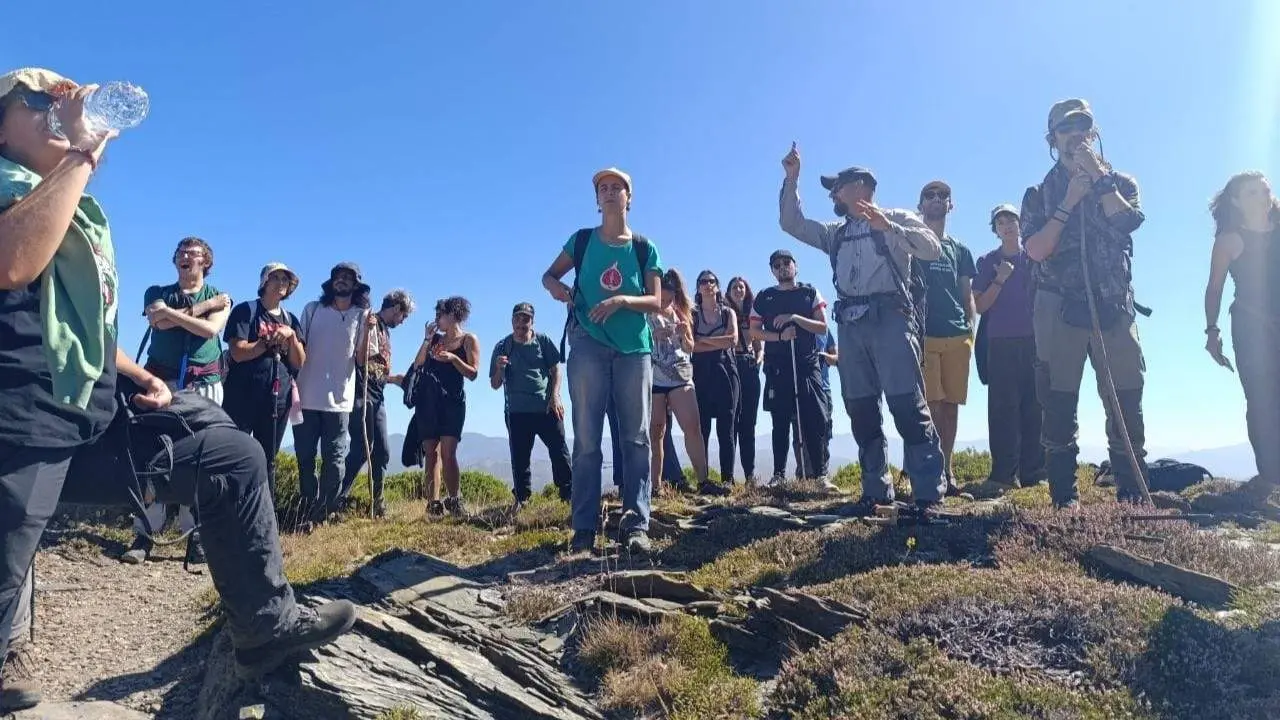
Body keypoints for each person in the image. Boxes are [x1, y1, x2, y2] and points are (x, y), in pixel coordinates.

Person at [0, 67, 354, 713]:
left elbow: (74, 319)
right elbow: (10, 263)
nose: (60, 107)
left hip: (85, 403)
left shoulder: (68, 203)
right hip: (17, 413)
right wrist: (80, 153)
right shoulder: (17, 193)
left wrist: (137, 376)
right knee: (9, 545)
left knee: (233, 457)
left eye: (63, 98)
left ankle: (265, 627)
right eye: (39, 100)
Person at [779, 143, 945, 514]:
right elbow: (792, 224)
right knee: (861, 408)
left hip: (891, 318)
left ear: (859, 186)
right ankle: (875, 490)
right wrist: (792, 181)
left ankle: (928, 493)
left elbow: (932, 248)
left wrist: (890, 228)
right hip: (850, 326)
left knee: (906, 404)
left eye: (836, 187)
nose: (833, 195)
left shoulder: (897, 216)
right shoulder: (835, 232)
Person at [1020, 98, 1148, 509]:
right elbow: (1036, 250)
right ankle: (1064, 498)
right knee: (1057, 400)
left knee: (1126, 396)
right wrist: (1068, 202)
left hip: (1113, 304)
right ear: (1052, 138)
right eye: (1065, 129)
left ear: (1093, 133)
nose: (1075, 135)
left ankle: (1131, 492)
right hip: (1058, 308)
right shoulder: (1039, 194)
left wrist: (1099, 179)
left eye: (1083, 127)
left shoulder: (1121, 182)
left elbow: (1128, 222)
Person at [541, 167, 662, 554]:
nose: (610, 193)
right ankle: (583, 529)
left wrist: (623, 300)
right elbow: (548, 275)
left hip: (634, 349)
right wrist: (558, 288)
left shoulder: (644, 247)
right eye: (603, 189)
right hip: (588, 344)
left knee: (636, 438)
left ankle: (636, 523)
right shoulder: (580, 241)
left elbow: (658, 301)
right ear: (597, 200)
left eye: (617, 188)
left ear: (630, 197)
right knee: (588, 439)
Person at [124, 236, 233, 563]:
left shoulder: (220, 298)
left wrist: (177, 315)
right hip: (161, 380)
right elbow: (157, 319)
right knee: (153, 452)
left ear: (206, 263)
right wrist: (200, 309)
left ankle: (195, 536)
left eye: (195, 253)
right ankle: (144, 534)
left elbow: (209, 332)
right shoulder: (156, 293)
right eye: (182, 252)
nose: (187, 256)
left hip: (204, 382)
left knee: (201, 456)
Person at [1204, 171, 1280, 503]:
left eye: (1264, 190)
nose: (1261, 197)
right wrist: (1212, 331)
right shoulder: (1230, 240)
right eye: (1251, 193)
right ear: (1236, 200)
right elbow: (1215, 287)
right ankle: (1271, 477)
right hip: (1251, 327)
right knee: (1261, 401)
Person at [972, 204, 1044, 492]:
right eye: (1000, 222)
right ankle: (1003, 475)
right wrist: (1000, 278)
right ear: (995, 230)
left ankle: (1034, 475)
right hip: (999, 343)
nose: (1007, 226)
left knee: (1034, 408)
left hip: (1035, 341)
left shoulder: (1034, 259)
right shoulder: (987, 262)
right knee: (1003, 410)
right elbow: (979, 306)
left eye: (1011, 220)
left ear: (1020, 223)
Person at [748, 249, 834, 489]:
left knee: (815, 418)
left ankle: (819, 476)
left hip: (807, 365)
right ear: (772, 271)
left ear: (795, 266)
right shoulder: (764, 298)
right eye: (776, 265)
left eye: (786, 263)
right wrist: (780, 336)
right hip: (778, 367)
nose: (782, 267)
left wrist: (795, 318)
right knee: (780, 420)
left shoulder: (810, 293)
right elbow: (754, 332)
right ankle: (778, 474)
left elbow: (822, 327)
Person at [293, 262, 369, 525]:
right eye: (338, 277)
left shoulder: (362, 316)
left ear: (355, 285)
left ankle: (325, 510)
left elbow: (360, 359)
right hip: (306, 395)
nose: (342, 281)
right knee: (305, 457)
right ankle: (306, 507)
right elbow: (298, 347)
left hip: (340, 401)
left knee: (334, 459)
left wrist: (369, 329)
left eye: (348, 278)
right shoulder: (312, 310)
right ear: (331, 282)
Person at [222, 262, 307, 499]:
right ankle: (228, 513)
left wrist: (291, 338)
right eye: (276, 277)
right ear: (264, 282)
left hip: (277, 400)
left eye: (285, 280)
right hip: (241, 396)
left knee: (267, 459)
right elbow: (238, 352)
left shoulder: (291, 320)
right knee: (233, 455)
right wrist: (267, 342)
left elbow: (299, 361)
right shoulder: (245, 311)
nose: (281, 283)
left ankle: (263, 515)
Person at [916, 181, 976, 495]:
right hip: (925, 334)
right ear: (920, 205)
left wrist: (971, 329)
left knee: (951, 406)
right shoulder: (912, 245)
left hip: (957, 335)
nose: (937, 200)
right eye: (930, 195)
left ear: (951, 205)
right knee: (931, 406)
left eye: (943, 196)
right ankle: (930, 472)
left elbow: (967, 295)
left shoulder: (961, 250)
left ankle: (948, 472)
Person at [340, 289, 414, 518]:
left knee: (381, 450)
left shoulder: (384, 331)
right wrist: (367, 329)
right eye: (403, 316)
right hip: (361, 395)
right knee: (362, 449)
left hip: (378, 395)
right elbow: (360, 359)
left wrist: (393, 380)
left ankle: (377, 503)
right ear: (396, 309)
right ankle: (337, 498)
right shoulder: (369, 321)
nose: (402, 322)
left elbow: (376, 367)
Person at [490, 302, 571, 505]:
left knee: (559, 451)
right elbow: (494, 384)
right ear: (511, 321)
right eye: (517, 318)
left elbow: (556, 371)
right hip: (516, 412)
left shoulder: (542, 341)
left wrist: (555, 396)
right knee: (519, 457)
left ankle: (568, 493)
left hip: (546, 408)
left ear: (532, 321)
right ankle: (522, 498)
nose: (521, 323)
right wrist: (499, 369)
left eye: (525, 319)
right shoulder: (502, 347)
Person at [648, 270, 721, 496]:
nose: (666, 302)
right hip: (653, 377)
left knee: (692, 426)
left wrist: (682, 335)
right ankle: (655, 486)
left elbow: (690, 347)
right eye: (663, 298)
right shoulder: (645, 313)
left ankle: (703, 480)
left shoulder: (680, 313)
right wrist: (654, 337)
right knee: (656, 430)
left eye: (669, 298)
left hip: (680, 375)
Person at [411, 296, 479, 516]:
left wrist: (453, 359)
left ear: (452, 315)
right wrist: (426, 340)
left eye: (440, 315)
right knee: (430, 452)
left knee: (449, 453)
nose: (437, 319)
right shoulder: (435, 339)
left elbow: (473, 373)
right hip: (429, 402)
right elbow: (418, 364)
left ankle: (454, 499)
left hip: (453, 402)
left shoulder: (468, 340)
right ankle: (433, 504)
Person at [691, 270, 741, 485]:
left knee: (726, 428)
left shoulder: (728, 313)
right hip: (701, 373)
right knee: (702, 429)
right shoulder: (692, 314)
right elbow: (692, 345)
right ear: (698, 287)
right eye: (702, 281)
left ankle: (727, 479)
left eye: (711, 281)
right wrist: (715, 340)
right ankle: (704, 481)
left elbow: (733, 340)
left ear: (718, 286)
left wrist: (705, 340)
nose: (707, 285)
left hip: (726, 372)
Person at [727, 276, 763, 484]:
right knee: (730, 422)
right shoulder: (724, 313)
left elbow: (759, 347)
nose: (738, 290)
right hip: (730, 367)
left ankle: (749, 475)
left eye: (741, 287)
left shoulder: (753, 315)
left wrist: (757, 361)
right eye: (734, 287)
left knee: (748, 424)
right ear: (729, 291)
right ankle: (728, 476)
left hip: (749, 368)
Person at [814, 327, 838, 466]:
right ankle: (805, 477)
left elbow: (836, 358)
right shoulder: (799, 326)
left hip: (824, 388)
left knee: (824, 433)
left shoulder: (825, 330)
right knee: (802, 434)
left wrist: (824, 357)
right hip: (803, 387)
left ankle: (822, 473)